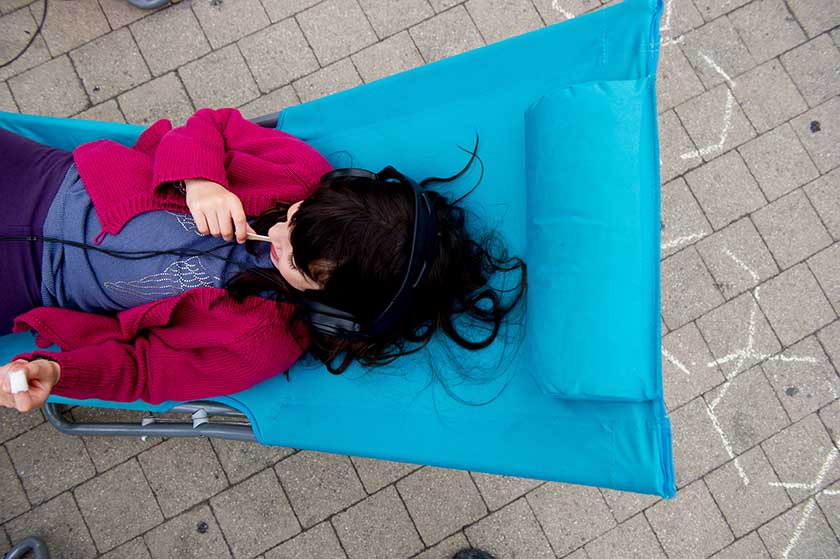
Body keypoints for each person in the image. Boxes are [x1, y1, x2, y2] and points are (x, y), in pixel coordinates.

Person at [0, 107, 526, 413]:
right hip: (49, 180)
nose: (276, 234)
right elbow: (210, 124)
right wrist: (201, 178)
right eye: (296, 218)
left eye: (296, 261)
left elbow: (146, 372)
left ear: (334, 309)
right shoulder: (297, 173)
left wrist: (59, 372)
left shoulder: (258, 344)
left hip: (30, 283)